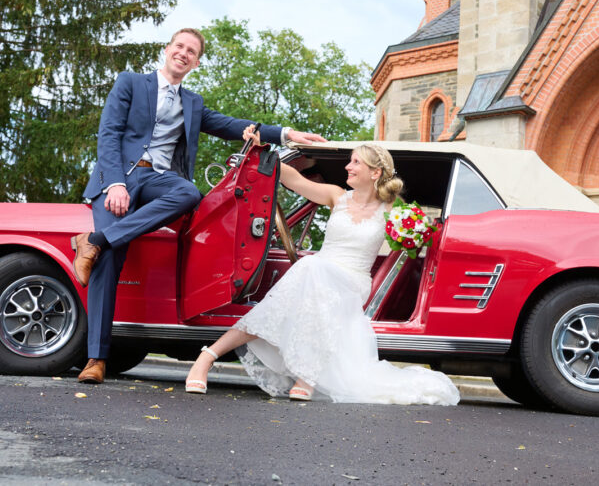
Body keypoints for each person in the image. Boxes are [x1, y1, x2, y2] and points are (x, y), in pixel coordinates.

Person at [71, 28, 325, 384]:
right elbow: (108, 134)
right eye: (179, 46)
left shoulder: (192, 103)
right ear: (167, 50)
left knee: (189, 193)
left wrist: (286, 135)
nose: (184, 53)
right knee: (113, 257)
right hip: (120, 178)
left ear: (196, 62)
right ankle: (96, 359)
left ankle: (95, 241)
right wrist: (114, 183)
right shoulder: (131, 83)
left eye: (191, 51)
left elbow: (234, 126)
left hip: (160, 181)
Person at [184, 143, 460, 406]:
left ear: (375, 173)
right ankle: (207, 359)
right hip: (319, 271)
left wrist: (413, 236)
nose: (348, 167)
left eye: (356, 162)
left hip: (353, 281)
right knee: (306, 275)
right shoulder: (336, 196)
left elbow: (420, 238)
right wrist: (264, 151)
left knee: (309, 269)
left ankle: (303, 374)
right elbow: (292, 179)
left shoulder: (394, 210)